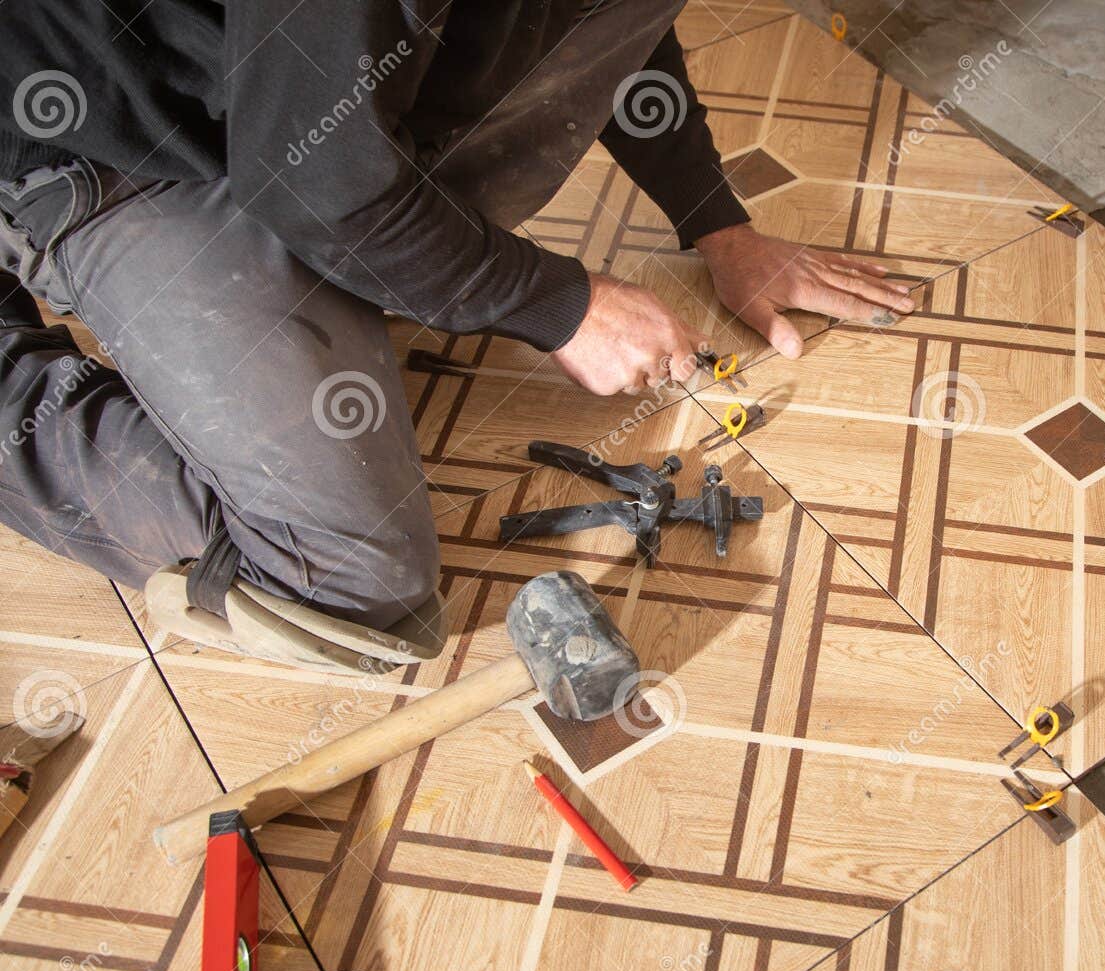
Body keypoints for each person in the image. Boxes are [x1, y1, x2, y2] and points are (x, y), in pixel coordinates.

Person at [0, 0, 912, 670]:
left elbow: (610, 22)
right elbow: (308, 179)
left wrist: (718, 224)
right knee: (347, 578)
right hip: (107, 137)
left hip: (267, 105)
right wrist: (562, 304)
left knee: (387, 218)